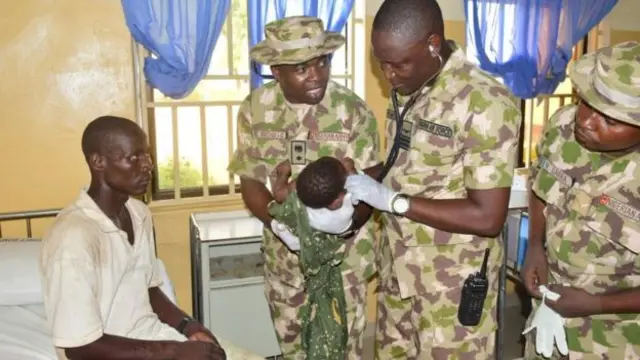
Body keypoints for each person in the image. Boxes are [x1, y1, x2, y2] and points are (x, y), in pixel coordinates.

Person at [343, 0, 522, 358]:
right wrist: (357, 182)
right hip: (400, 270)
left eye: (398, 63)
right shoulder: (414, 86)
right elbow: (405, 165)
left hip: (450, 285)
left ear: (432, 44)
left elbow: (487, 217)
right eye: (381, 62)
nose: (389, 75)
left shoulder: (484, 101)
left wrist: (392, 201)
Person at [40, 116, 263, 360]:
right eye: (133, 158)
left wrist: (189, 327)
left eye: (147, 155)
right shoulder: (73, 238)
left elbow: (147, 288)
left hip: (150, 338)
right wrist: (174, 351)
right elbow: (78, 347)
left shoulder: (139, 213)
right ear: (98, 162)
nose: (148, 165)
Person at [227, 15, 381, 360]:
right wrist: (285, 225)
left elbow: (369, 185)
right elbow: (250, 180)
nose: (316, 75)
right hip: (287, 262)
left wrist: (338, 230)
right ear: (276, 70)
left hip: (344, 262)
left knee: (344, 351)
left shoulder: (353, 111)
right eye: (300, 68)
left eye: (321, 62)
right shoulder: (255, 110)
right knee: (294, 350)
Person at [521, 41, 640, 359]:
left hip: (616, 338)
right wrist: (534, 247)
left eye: (610, 120)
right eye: (586, 102)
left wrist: (597, 304)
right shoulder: (562, 127)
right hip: (548, 319)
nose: (585, 121)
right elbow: (539, 187)